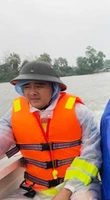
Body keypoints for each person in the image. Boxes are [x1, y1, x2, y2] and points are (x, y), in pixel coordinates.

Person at [0, 61, 101, 200]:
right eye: (27, 86)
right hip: (34, 189)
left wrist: (67, 191)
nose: (32, 92)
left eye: (39, 86)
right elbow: (2, 137)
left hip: (77, 186)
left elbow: (92, 155)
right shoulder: (14, 112)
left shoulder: (80, 112)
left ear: (54, 87)